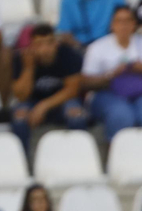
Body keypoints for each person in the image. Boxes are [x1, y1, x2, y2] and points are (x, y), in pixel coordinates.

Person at [82, 6, 142, 138]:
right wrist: (111, 75)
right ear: (112, 24)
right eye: (119, 21)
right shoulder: (97, 47)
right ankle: (116, 148)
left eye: (128, 20)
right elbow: (86, 83)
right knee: (121, 115)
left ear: (134, 24)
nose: (123, 25)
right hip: (108, 93)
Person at [8, 23, 86, 155]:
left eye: (49, 43)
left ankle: (79, 156)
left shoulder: (68, 54)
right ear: (32, 46)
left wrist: (43, 106)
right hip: (31, 102)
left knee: (76, 114)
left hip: (62, 101)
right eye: (38, 44)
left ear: (56, 43)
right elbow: (21, 96)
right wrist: (28, 68)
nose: (44, 49)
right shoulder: (21, 59)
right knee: (19, 117)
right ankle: (22, 160)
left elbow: (72, 90)